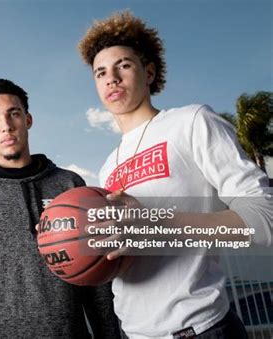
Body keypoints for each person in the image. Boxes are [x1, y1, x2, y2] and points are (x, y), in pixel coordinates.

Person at [77, 11, 272, 339]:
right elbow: (129, 251)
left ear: (149, 72)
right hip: (133, 333)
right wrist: (74, 240)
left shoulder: (191, 122)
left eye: (123, 65)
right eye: (100, 72)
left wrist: (153, 222)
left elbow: (266, 219)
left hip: (199, 330)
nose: (111, 77)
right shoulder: (110, 164)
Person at [0, 79, 120, 338]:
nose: (6, 126)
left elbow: (98, 277)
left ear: (28, 119)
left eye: (14, 114)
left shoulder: (69, 184)